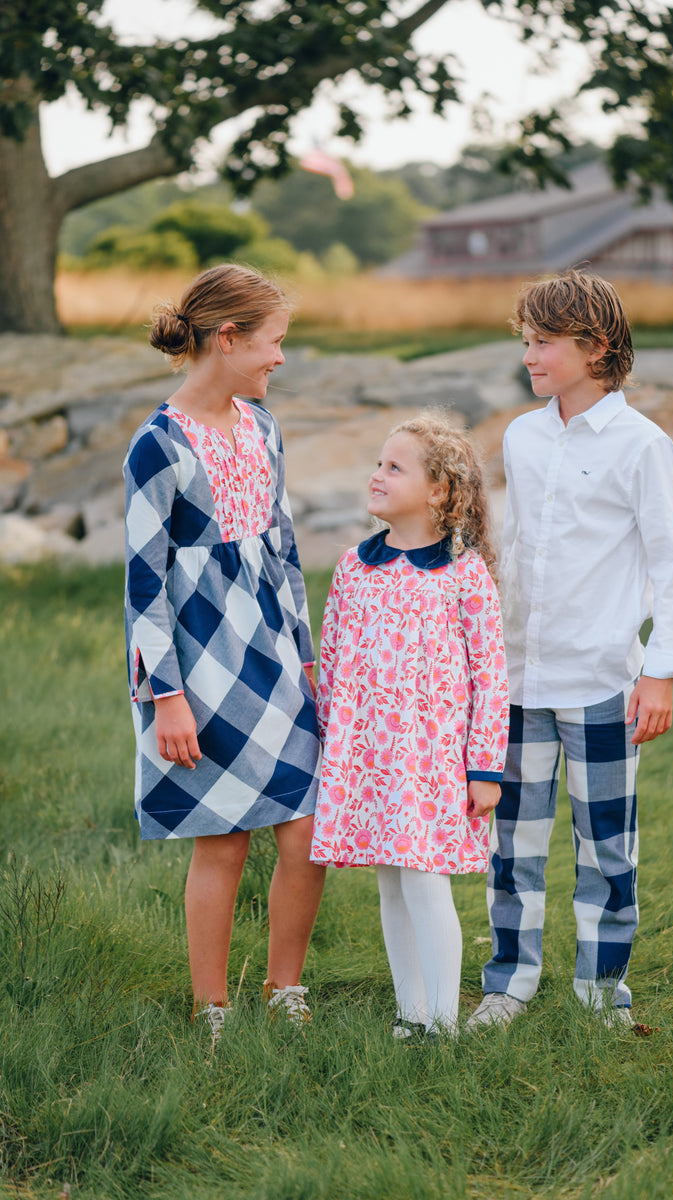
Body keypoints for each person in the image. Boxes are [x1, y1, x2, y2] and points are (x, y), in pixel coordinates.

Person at [468, 268, 673, 1033]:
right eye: (527, 342)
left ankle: (602, 988)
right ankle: (510, 981)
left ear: (595, 347)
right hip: (519, 676)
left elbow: (670, 565)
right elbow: (515, 547)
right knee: (514, 845)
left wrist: (660, 673)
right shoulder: (522, 436)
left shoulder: (642, 446)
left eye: (544, 343)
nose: (530, 355)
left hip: (602, 677)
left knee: (608, 846)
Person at [123, 263, 325, 1041]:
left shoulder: (264, 428)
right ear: (228, 337)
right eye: (273, 342)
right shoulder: (157, 446)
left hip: (275, 655)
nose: (280, 358)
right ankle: (213, 1008)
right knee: (223, 840)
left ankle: (286, 989)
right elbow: (145, 585)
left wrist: (307, 657)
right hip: (199, 667)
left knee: (307, 830)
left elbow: (283, 546)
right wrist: (163, 695)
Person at [310, 413, 509, 1038]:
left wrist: (485, 767)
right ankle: (411, 1012)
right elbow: (334, 659)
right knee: (390, 886)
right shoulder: (353, 568)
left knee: (425, 883)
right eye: (377, 462)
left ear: (439, 491)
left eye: (394, 467)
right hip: (370, 760)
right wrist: (332, 750)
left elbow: (491, 680)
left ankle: (445, 1023)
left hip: (431, 765)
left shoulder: (462, 574)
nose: (377, 475)